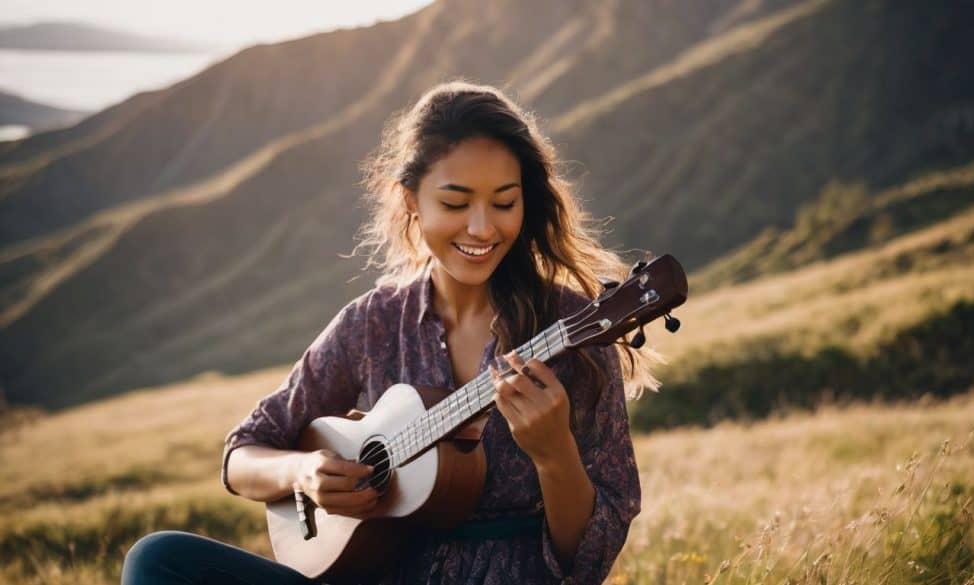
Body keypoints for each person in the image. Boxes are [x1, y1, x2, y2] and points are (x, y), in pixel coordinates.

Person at [122, 80, 658, 585]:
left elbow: (588, 562)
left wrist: (554, 453)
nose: (482, 227)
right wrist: (304, 472)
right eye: (454, 203)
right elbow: (243, 454)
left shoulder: (571, 331)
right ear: (410, 201)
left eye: (504, 202)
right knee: (160, 560)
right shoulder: (374, 322)